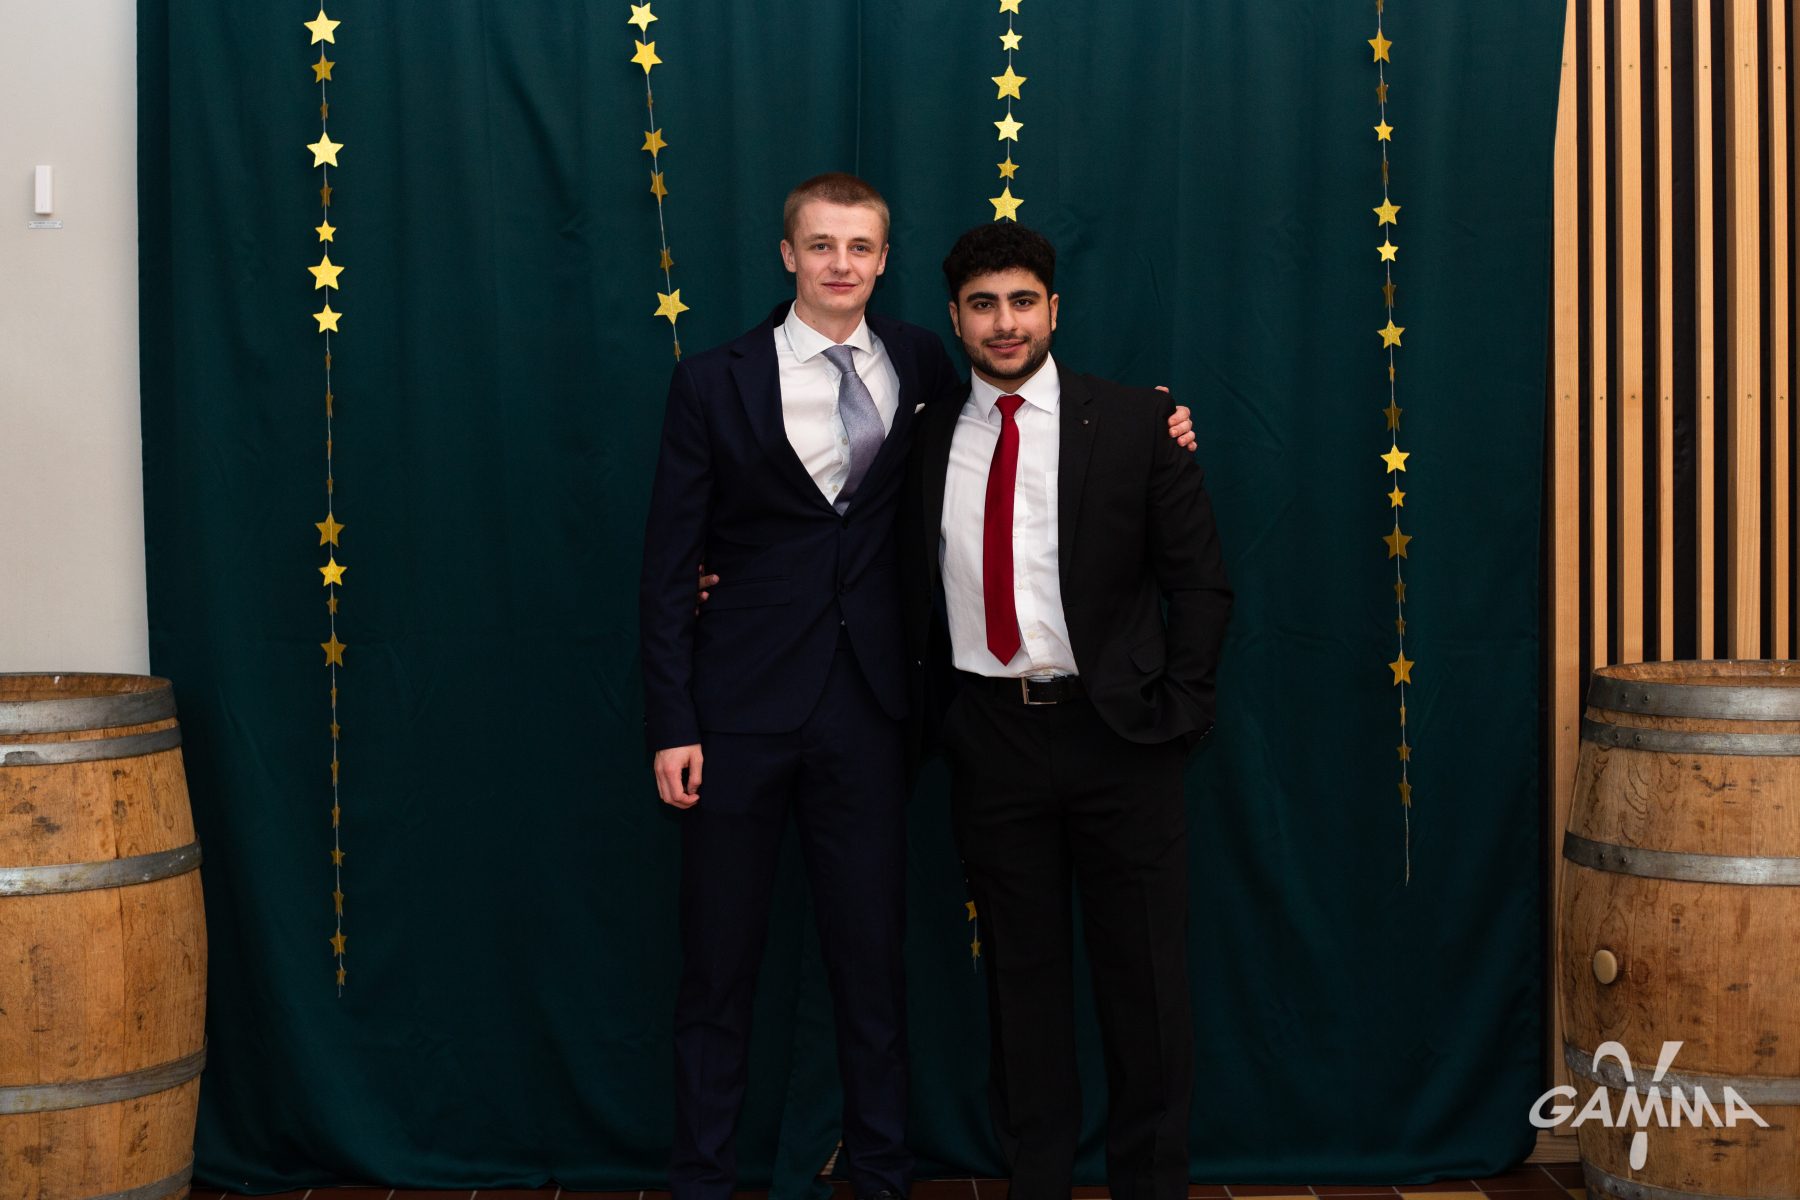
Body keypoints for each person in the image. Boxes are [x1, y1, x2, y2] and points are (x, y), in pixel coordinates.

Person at [640, 173, 1196, 1199]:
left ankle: (883, 1176)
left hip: (872, 714)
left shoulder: (923, 365)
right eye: (820, 245)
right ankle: (702, 1182)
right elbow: (671, 566)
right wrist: (673, 718)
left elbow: (1050, 437)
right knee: (717, 968)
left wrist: (1161, 420)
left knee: (873, 967)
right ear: (788, 255)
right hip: (738, 714)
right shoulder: (712, 381)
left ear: (885, 261)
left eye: (859, 246)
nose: (840, 263)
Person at [898, 222, 1233, 1200]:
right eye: (983, 305)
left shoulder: (1135, 422)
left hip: (1122, 738)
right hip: (989, 740)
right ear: (954, 317)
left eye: (1022, 301)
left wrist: (1179, 713)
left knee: (1147, 990)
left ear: (1054, 308)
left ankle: (1151, 1188)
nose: (1004, 323)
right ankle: (1035, 1182)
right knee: (1021, 988)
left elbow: (1201, 586)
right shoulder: (921, 436)